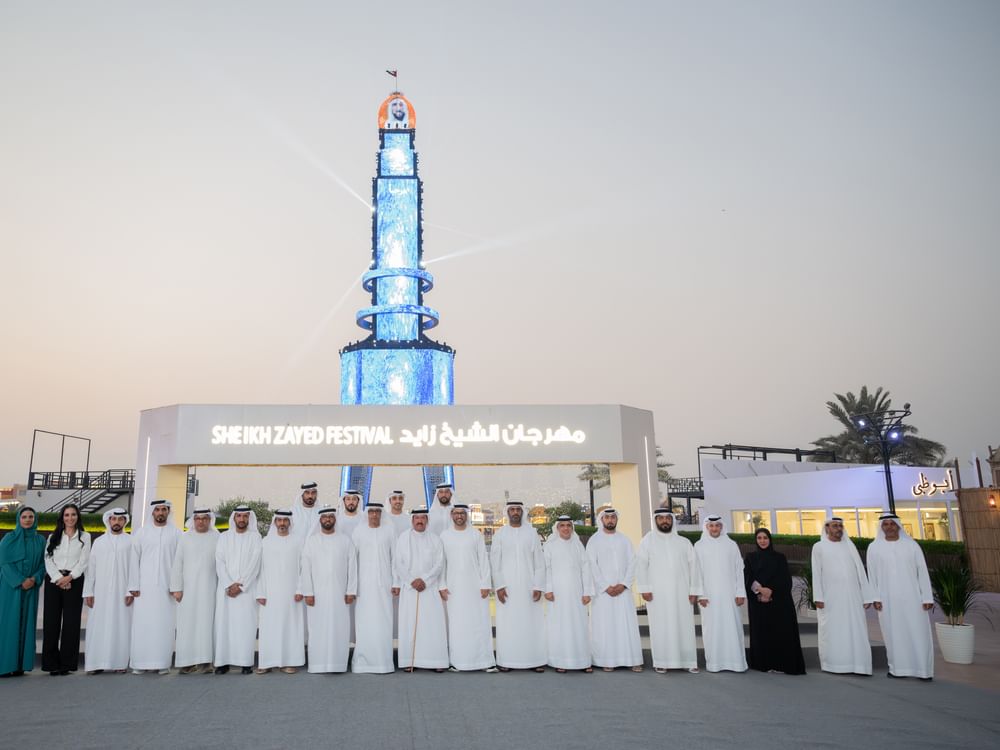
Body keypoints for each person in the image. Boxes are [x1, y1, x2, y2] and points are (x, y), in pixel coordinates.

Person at [867, 513, 934, 680]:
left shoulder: (911, 546)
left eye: (892, 524)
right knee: (893, 634)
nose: (889, 527)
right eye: (886, 524)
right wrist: (875, 597)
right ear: (881, 527)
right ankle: (897, 669)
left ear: (898, 526)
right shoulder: (874, 547)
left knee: (918, 632)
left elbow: (922, 572)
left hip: (914, 598)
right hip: (887, 599)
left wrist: (927, 597)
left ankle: (923, 670)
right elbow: (872, 574)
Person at [636, 508, 702, 674]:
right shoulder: (647, 541)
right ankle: (661, 661)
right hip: (657, 594)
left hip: (682, 592)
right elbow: (641, 566)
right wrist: (644, 588)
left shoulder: (684, 542)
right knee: (660, 626)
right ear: (655, 520)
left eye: (667, 518)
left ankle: (689, 661)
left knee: (685, 626)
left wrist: (694, 590)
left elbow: (694, 567)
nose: (664, 521)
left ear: (672, 520)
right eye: (661, 518)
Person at [811, 516, 874, 675]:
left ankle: (858, 664)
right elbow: (816, 574)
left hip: (853, 597)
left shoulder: (849, 547)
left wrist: (866, 596)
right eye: (834, 526)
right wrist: (818, 597)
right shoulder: (819, 547)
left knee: (855, 628)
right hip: (830, 597)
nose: (838, 529)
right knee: (833, 630)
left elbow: (860, 571)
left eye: (840, 526)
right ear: (827, 529)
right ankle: (834, 664)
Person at [298, 507, 357, 673]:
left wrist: (351, 590)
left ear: (335, 519)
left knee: (340, 628)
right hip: (317, 595)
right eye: (325, 517)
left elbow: (352, 567)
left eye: (331, 517)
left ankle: (337, 664)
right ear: (320, 520)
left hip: (340, 595)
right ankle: (318, 665)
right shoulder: (312, 541)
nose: (328, 519)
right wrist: (308, 592)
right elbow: (306, 568)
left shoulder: (345, 540)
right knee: (317, 629)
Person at [490, 500, 546, 672]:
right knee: (508, 624)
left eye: (518, 510)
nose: (515, 512)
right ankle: (507, 661)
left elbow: (539, 563)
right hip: (507, 588)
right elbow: (495, 562)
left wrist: (538, 586)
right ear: (508, 512)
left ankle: (534, 661)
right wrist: (499, 586)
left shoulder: (532, 534)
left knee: (531, 623)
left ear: (522, 512)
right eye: (512, 509)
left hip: (529, 587)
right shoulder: (500, 534)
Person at [440, 504, 496, 672]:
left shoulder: (475, 535)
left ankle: (485, 662)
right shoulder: (444, 536)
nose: (459, 516)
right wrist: (442, 585)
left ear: (467, 515)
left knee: (479, 622)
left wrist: (485, 583)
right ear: (452, 515)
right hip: (453, 588)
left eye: (462, 513)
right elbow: (441, 563)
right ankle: (458, 662)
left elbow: (483, 561)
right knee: (457, 625)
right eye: (456, 513)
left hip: (475, 587)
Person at [587, 507, 644, 672]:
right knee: (605, 626)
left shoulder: (625, 540)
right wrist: (605, 586)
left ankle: (632, 660)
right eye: (607, 517)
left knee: (626, 624)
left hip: (623, 591)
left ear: (616, 519)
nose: (610, 520)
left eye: (613, 517)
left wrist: (624, 584)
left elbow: (633, 563)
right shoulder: (594, 540)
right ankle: (607, 660)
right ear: (602, 520)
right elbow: (591, 565)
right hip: (603, 592)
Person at [128, 499, 181, 675]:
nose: (160, 512)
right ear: (152, 512)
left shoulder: (177, 534)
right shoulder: (141, 534)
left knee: (164, 625)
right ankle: (139, 663)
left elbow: (180, 563)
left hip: (167, 589)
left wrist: (177, 586)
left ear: (168, 512)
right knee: (142, 625)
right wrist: (132, 585)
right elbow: (133, 560)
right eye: (157, 509)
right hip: (144, 588)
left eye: (164, 509)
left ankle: (162, 663)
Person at [743, 528, 806, 675]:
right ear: (756, 540)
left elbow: (785, 579)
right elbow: (748, 578)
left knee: (780, 633)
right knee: (763, 634)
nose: (762, 541)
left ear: (770, 539)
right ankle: (764, 664)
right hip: (759, 603)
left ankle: (781, 664)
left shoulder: (780, 557)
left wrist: (771, 591)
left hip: (779, 602)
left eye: (765, 538)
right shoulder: (750, 557)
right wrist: (760, 591)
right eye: (759, 538)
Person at [394, 508, 449, 672]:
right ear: (412, 520)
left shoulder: (435, 539)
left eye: (422, 518)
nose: (419, 521)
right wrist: (412, 580)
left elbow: (440, 564)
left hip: (429, 589)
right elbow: (398, 563)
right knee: (409, 625)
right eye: (416, 518)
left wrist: (424, 580)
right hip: (409, 589)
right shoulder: (403, 538)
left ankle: (436, 661)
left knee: (433, 625)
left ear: (427, 520)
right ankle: (409, 661)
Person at [82, 508, 134, 674]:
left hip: (123, 593)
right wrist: (88, 592)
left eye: (120, 519)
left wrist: (130, 590)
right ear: (108, 521)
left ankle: (119, 663)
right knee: (98, 626)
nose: (116, 522)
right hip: (100, 593)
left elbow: (134, 568)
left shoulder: (131, 541)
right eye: (113, 519)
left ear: (125, 521)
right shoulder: (99, 542)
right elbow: (91, 569)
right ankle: (95, 663)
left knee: (121, 626)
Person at [693, 515, 747, 673]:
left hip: (730, 596)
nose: (714, 528)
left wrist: (740, 592)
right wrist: (701, 595)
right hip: (708, 597)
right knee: (712, 629)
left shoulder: (731, 545)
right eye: (711, 526)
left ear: (722, 527)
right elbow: (696, 573)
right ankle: (715, 664)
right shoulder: (699, 546)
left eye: (717, 525)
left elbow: (739, 570)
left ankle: (736, 663)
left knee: (733, 627)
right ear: (707, 527)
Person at [42, 503, 91, 675]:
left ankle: (67, 664)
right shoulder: (53, 537)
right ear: (62, 518)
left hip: (74, 581)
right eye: (67, 515)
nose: (70, 518)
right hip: (54, 582)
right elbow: (48, 560)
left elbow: (84, 561)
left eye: (73, 514)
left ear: (78, 517)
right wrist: (58, 579)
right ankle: (51, 664)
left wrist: (69, 578)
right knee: (51, 622)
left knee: (71, 623)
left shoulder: (85, 536)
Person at [214, 506, 263, 675]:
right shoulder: (224, 537)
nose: (242, 519)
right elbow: (219, 562)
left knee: (245, 626)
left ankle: (245, 663)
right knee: (224, 626)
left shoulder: (256, 537)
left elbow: (255, 564)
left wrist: (241, 585)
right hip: (225, 590)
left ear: (249, 518)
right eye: (239, 516)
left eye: (245, 516)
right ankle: (222, 663)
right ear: (234, 518)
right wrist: (229, 584)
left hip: (246, 591)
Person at [256, 509, 305, 674]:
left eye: (285, 521)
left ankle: (289, 661)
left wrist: (300, 589)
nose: (282, 523)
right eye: (279, 520)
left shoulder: (298, 541)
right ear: (275, 522)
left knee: (290, 627)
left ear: (290, 522)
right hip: (270, 593)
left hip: (292, 594)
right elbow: (260, 569)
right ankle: (267, 661)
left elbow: (303, 568)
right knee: (269, 627)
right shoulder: (266, 541)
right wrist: (261, 592)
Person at [170, 507, 219, 674]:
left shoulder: (217, 537)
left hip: (210, 589)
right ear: (193, 520)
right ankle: (187, 662)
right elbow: (178, 563)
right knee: (187, 625)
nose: (201, 521)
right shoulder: (185, 538)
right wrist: (176, 588)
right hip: (187, 591)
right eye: (198, 518)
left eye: (205, 518)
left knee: (207, 625)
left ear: (210, 520)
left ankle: (206, 662)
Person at [542, 515, 593, 673]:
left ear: (572, 527)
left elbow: (586, 569)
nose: (565, 528)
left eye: (568, 525)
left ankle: (583, 661)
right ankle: (560, 661)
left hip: (577, 593)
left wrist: (587, 592)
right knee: (559, 626)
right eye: (562, 525)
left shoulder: (578, 545)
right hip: (557, 594)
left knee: (579, 625)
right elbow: (546, 569)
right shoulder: (550, 546)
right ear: (557, 528)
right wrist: (548, 589)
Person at [350, 502, 396, 674]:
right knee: (364, 622)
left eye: (377, 511)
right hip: (364, 587)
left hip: (385, 586)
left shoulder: (389, 531)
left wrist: (396, 582)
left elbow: (395, 558)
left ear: (381, 513)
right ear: (367, 514)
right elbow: (352, 561)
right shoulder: (358, 532)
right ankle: (362, 662)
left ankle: (384, 663)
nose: (375, 514)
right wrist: (352, 587)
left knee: (384, 622)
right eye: (371, 512)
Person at [0, 507, 46, 677]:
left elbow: (43, 563)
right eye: (24, 517)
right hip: (10, 588)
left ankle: (20, 665)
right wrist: (20, 581)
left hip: (30, 588)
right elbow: (4, 563)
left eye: (31, 517)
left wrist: (34, 579)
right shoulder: (9, 539)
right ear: (19, 519)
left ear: (35, 519)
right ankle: (4, 665)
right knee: (8, 624)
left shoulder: (40, 540)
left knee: (27, 624)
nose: (27, 520)